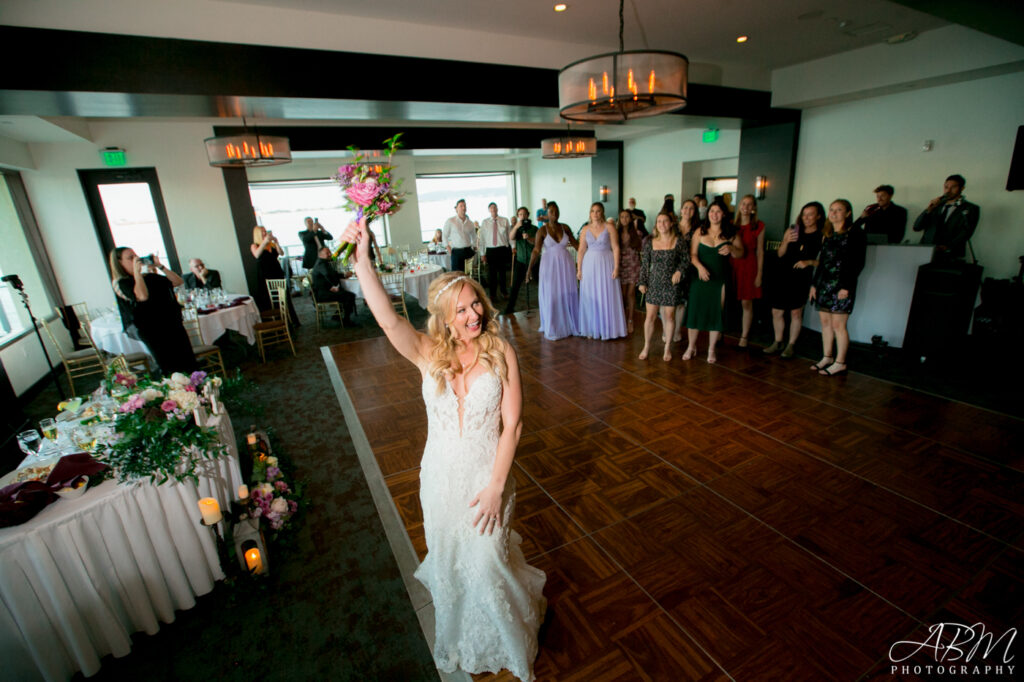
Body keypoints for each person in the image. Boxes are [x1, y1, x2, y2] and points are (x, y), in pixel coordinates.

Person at [337, 216, 546, 681]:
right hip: (439, 478)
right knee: (451, 561)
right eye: (462, 311)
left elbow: (512, 426)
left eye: (476, 305)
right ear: (445, 319)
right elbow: (387, 318)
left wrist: (496, 487)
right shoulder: (428, 352)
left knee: (489, 560)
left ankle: (508, 637)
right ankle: (461, 634)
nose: (473, 316)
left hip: (485, 477)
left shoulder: (501, 351)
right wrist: (363, 258)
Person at [109, 247, 196, 375]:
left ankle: (197, 392)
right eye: (130, 258)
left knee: (189, 363)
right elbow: (142, 296)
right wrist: (137, 273)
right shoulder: (122, 283)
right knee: (170, 367)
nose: (136, 259)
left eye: (135, 255)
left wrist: (160, 266)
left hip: (172, 324)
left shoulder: (149, 277)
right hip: (153, 330)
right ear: (119, 263)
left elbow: (178, 281)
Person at [810, 199, 867, 377]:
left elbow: (857, 263)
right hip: (824, 284)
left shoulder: (855, 233)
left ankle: (840, 362)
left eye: (839, 210)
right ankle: (827, 356)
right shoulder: (827, 234)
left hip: (842, 285)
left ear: (848, 213)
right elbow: (822, 262)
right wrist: (814, 284)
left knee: (838, 325)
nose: (834, 213)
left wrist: (846, 287)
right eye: (832, 210)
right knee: (825, 323)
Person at [683, 203, 744, 364]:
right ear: (708, 213)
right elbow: (692, 255)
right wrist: (700, 268)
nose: (714, 214)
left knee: (716, 313)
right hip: (701, 277)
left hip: (720, 279)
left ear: (723, 214)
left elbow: (741, 253)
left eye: (718, 211)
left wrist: (731, 248)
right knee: (695, 312)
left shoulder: (731, 233)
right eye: (711, 211)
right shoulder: (699, 231)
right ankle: (691, 346)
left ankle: (711, 349)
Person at [764, 202, 824, 358]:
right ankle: (777, 341)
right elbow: (780, 254)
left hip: (802, 277)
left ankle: (791, 344)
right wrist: (786, 241)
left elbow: (824, 262)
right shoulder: (793, 230)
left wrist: (809, 262)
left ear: (818, 216)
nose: (806, 217)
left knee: (796, 312)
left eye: (811, 214)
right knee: (777, 310)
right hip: (784, 274)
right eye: (804, 214)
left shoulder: (822, 235)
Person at [637, 211, 688, 361]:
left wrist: (679, 271)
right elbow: (645, 265)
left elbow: (686, 260)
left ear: (671, 223)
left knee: (669, 316)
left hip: (671, 284)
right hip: (654, 283)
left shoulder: (679, 241)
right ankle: (646, 346)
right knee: (650, 316)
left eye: (665, 221)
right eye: (659, 221)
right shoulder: (650, 242)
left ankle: (667, 348)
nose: (662, 224)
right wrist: (642, 282)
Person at [526, 201, 579, 340]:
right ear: (546, 214)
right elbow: (536, 250)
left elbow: (576, 244)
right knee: (552, 295)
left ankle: (569, 325)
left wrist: (589, 255)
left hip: (566, 266)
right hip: (549, 266)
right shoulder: (542, 230)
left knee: (567, 293)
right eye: (551, 211)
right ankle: (553, 326)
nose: (554, 214)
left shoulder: (565, 227)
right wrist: (529, 269)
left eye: (556, 211)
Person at [577, 203, 627, 340]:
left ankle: (608, 329)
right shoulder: (585, 229)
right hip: (589, 265)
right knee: (591, 295)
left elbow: (616, 248)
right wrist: (579, 269)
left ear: (602, 212)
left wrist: (617, 267)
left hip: (606, 263)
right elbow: (581, 250)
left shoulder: (609, 227)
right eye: (593, 211)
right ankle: (592, 328)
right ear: (590, 213)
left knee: (606, 293)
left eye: (598, 211)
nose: (595, 214)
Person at [912, 174, 980, 260]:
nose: (948, 191)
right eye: (946, 187)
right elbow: (916, 227)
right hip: (926, 252)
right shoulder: (936, 205)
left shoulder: (970, 208)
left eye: (953, 187)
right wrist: (929, 209)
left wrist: (948, 246)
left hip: (950, 254)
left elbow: (966, 232)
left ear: (962, 188)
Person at [732, 195, 766, 349]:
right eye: (743, 204)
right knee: (728, 301)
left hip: (749, 265)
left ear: (753, 208)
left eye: (749, 205)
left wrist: (759, 274)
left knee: (747, 302)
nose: (745, 207)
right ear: (739, 206)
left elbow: (760, 252)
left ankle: (744, 336)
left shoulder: (758, 226)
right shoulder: (732, 224)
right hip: (733, 264)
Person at [251, 225, 300, 328]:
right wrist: (264, 242)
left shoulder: (271, 245)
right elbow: (256, 255)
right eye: (262, 232)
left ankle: (290, 321)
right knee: (270, 299)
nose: (265, 233)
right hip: (265, 275)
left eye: (265, 231)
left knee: (283, 297)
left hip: (276, 272)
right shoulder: (255, 245)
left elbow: (281, 253)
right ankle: (276, 322)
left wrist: (276, 242)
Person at [672, 199, 699, 342]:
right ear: (681, 210)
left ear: (694, 212)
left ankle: (677, 331)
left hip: (688, 268)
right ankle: (667, 330)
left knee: (681, 302)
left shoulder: (697, 230)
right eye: (685, 208)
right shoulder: (672, 227)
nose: (688, 211)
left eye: (691, 209)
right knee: (669, 301)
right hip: (670, 267)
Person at [310, 246, 358, 326]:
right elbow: (328, 275)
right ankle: (346, 320)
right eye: (327, 253)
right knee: (350, 296)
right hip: (322, 294)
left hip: (322, 291)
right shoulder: (321, 264)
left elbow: (333, 274)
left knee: (344, 292)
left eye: (329, 252)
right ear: (320, 255)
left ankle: (337, 315)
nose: (330, 254)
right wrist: (334, 286)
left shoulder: (322, 262)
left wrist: (344, 275)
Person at [503, 207, 537, 316]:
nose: (522, 216)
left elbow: (537, 243)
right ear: (518, 216)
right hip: (521, 261)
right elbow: (511, 237)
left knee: (541, 283)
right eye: (520, 214)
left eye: (524, 214)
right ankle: (509, 308)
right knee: (515, 286)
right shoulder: (517, 229)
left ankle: (546, 304)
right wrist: (517, 226)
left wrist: (528, 238)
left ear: (528, 215)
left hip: (534, 261)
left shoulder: (534, 228)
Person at [478, 202, 512, 302]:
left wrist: (513, 247)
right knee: (491, 274)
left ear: (497, 209)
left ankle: (504, 292)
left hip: (502, 249)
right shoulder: (485, 222)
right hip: (490, 250)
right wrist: (482, 253)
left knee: (502, 273)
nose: (493, 209)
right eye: (491, 208)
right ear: (489, 210)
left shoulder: (504, 220)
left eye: (495, 207)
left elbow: (509, 235)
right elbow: (482, 239)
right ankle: (492, 294)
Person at [616, 208, 643, 333]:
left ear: (630, 219)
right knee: (621, 293)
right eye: (622, 217)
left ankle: (630, 320)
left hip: (632, 263)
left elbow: (640, 247)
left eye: (627, 217)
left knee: (631, 293)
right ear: (619, 219)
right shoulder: (615, 233)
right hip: (620, 263)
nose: (624, 219)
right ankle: (621, 319)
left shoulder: (636, 233)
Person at [443, 199, 477, 274]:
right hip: (456, 252)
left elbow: (474, 236)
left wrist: (474, 247)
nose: (463, 208)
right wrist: (448, 248)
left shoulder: (470, 223)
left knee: (468, 274)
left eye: (464, 206)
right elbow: (444, 236)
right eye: (461, 206)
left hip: (468, 251)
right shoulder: (451, 221)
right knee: (456, 275)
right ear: (456, 209)